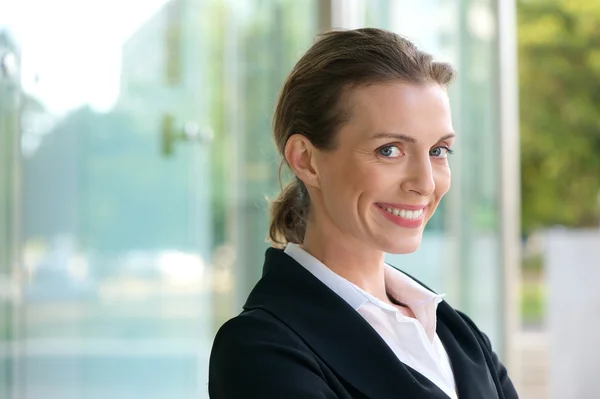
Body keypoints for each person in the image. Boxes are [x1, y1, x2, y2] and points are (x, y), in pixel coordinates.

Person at [208, 28, 519, 399]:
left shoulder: (458, 334)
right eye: (389, 150)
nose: (424, 182)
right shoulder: (261, 350)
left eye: (438, 151)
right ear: (307, 160)